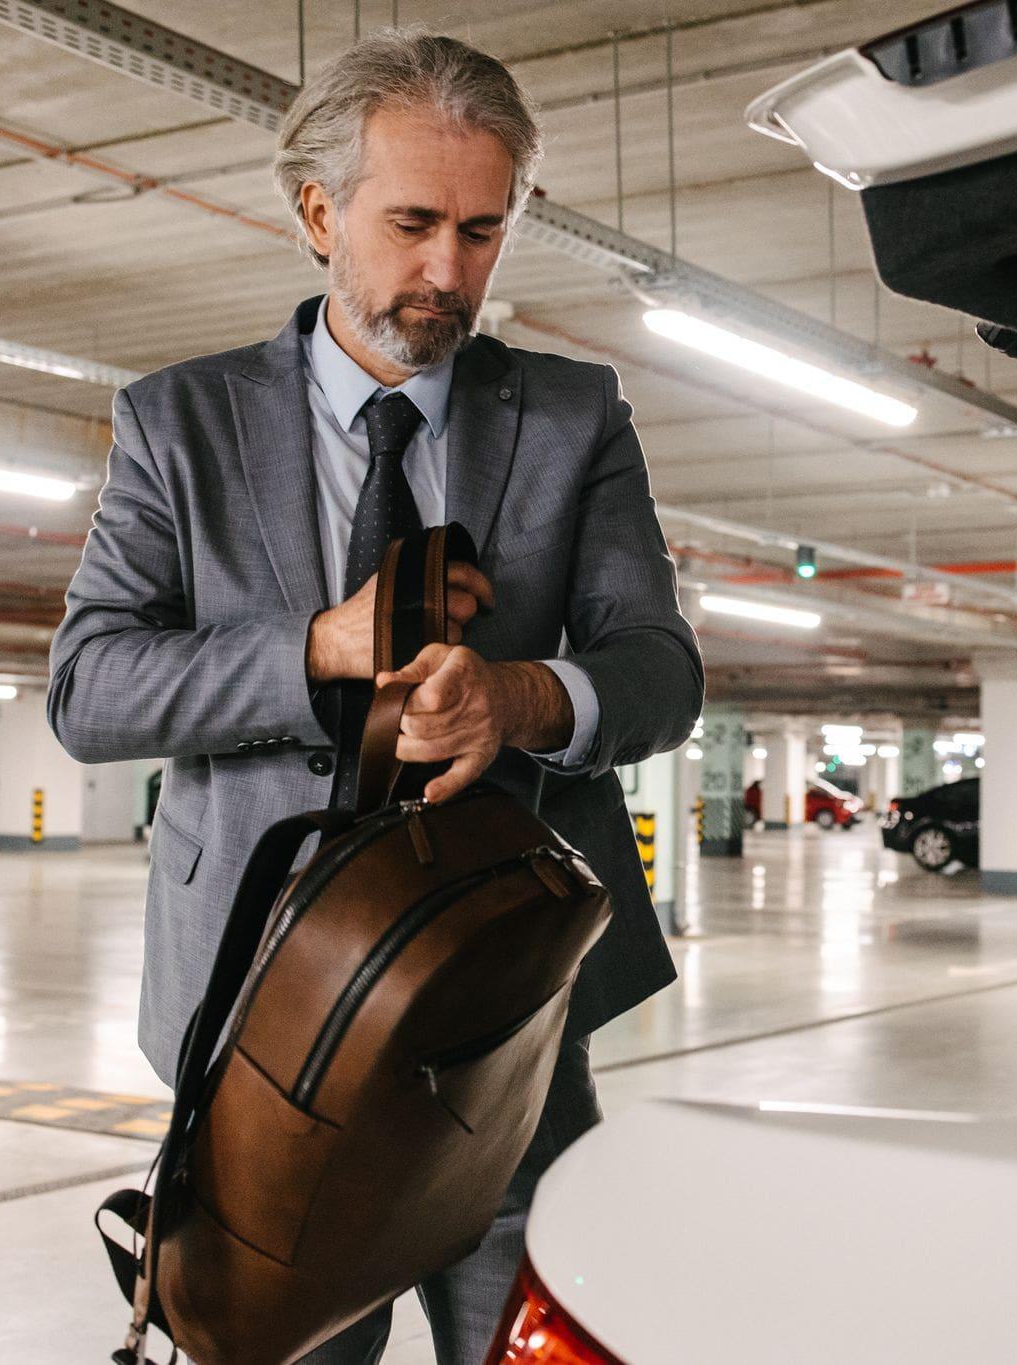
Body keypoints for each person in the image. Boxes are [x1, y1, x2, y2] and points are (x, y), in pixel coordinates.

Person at [47, 28, 703, 1365]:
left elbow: (660, 671)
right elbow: (90, 686)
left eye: (484, 227)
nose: (449, 271)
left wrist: (520, 696)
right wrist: (316, 650)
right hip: (261, 1032)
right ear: (315, 210)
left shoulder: (577, 418)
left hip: (509, 1027)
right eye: (411, 223)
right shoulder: (179, 423)